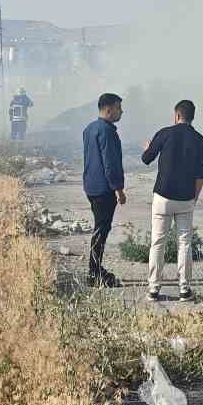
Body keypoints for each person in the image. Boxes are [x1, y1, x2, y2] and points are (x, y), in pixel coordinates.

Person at [140, 99, 203, 302]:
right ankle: (184, 289)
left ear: (177, 115)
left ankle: (153, 289)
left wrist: (148, 147)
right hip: (186, 198)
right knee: (184, 243)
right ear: (192, 117)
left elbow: (146, 158)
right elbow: (201, 175)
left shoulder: (165, 133)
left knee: (158, 242)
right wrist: (193, 199)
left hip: (162, 196)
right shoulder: (201, 141)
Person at [81, 92, 126, 288]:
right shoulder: (107, 132)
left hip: (91, 185)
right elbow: (110, 163)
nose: (121, 112)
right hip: (103, 189)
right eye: (118, 108)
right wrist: (118, 189)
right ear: (108, 109)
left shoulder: (89, 129)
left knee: (100, 228)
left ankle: (96, 269)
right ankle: (94, 273)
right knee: (101, 230)